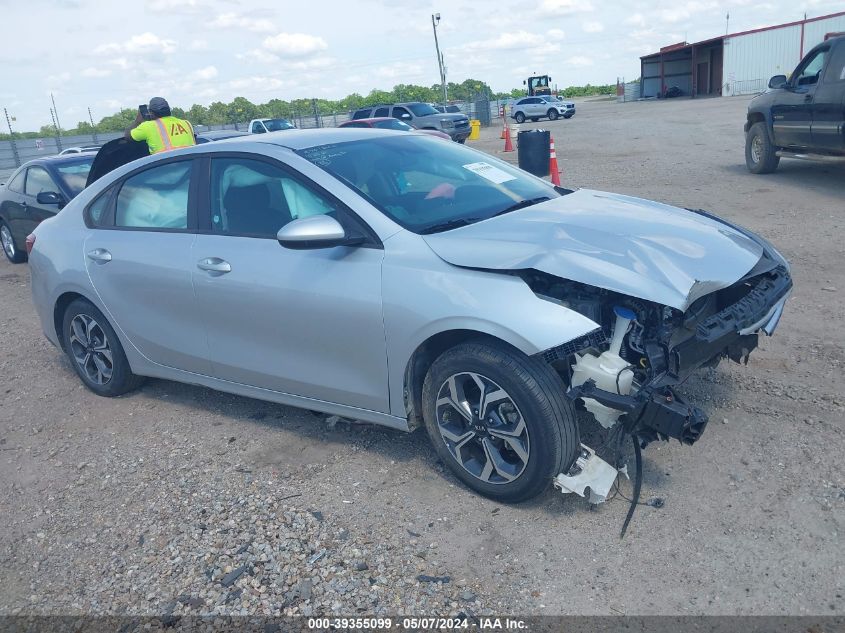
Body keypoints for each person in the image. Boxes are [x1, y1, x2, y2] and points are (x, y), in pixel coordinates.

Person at [125, 97, 195, 154]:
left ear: (151, 113)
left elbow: (128, 136)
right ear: (169, 110)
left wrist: (137, 121)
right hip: (191, 166)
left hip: (166, 168)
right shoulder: (186, 123)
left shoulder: (149, 126)